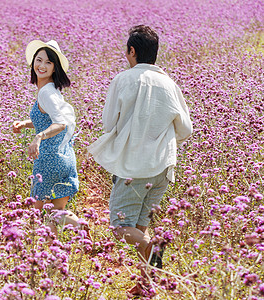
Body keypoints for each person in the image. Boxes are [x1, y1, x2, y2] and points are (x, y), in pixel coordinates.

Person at [87, 25, 193, 296]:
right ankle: (147, 283)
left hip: (134, 166)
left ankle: (153, 246)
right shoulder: (170, 84)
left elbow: (109, 121)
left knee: (120, 226)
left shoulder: (124, 79)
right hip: (163, 165)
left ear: (132, 51)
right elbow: (186, 129)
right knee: (139, 226)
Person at [12, 40, 85, 238]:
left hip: (49, 160)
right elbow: (48, 120)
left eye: (48, 63)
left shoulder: (46, 93)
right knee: (54, 214)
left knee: (37, 212)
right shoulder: (51, 91)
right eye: (38, 60)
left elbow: (60, 123)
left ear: (55, 68)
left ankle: (77, 227)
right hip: (65, 157)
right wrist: (26, 123)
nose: (41, 66)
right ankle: (62, 245)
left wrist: (38, 136)